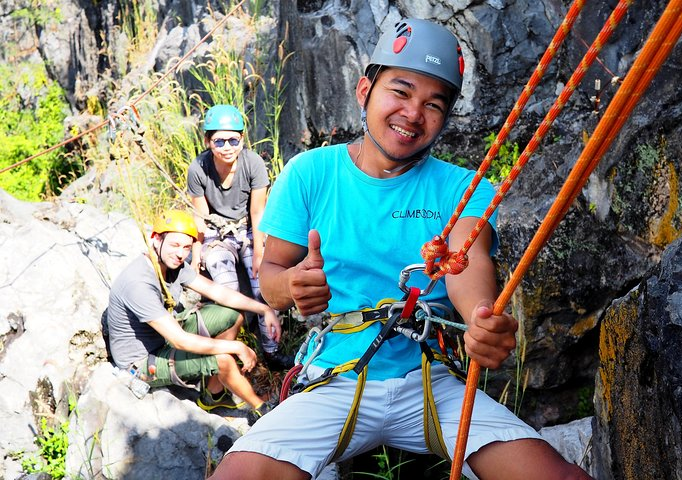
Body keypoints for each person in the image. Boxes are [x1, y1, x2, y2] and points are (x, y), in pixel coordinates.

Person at [209, 18, 593, 480]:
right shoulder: (309, 173)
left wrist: (480, 321)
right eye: (401, 91)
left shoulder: (463, 188)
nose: (413, 113)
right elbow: (270, 279)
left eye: (434, 104)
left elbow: (465, 262)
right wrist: (292, 285)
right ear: (364, 90)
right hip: (337, 375)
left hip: (430, 380)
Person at [105, 209, 279, 423]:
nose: (180, 254)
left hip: (164, 338)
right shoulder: (139, 282)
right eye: (175, 245)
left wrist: (264, 309)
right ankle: (264, 409)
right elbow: (180, 339)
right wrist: (237, 347)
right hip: (140, 362)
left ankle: (213, 394)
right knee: (223, 359)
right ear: (156, 239)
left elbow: (218, 292)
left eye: (187, 247)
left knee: (232, 314)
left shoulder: (172, 266)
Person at [187, 104, 293, 371]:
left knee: (264, 290)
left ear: (242, 139)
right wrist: (196, 256)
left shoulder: (253, 163)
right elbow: (201, 218)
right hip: (217, 232)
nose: (227, 147)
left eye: (233, 140)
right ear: (207, 141)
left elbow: (258, 212)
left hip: (248, 230)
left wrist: (259, 253)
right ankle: (229, 358)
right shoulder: (198, 169)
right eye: (219, 141)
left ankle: (271, 351)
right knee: (228, 293)